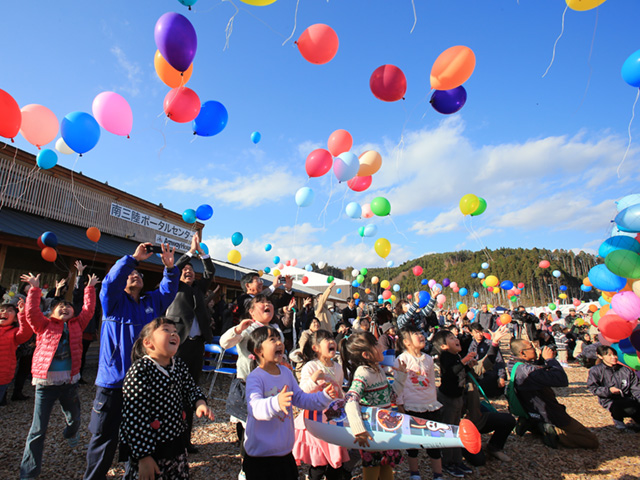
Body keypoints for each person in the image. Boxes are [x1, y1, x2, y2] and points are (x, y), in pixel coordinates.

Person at [84, 242, 179, 480]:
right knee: (104, 438)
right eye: (131, 274)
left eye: (139, 274)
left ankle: (133, 475)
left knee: (139, 436)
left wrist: (169, 268)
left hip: (144, 384)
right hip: (114, 382)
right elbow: (109, 283)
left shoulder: (151, 303)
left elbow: (168, 291)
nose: (135, 275)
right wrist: (132, 260)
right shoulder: (112, 302)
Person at [20, 272, 98, 480]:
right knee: (38, 429)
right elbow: (31, 314)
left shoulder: (77, 325)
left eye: (68, 307)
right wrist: (35, 290)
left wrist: (90, 288)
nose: (65, 308)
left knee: (75, 418)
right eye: (60, 307)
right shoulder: (43, 325)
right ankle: (28, 472)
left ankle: (70, 432)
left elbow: (89, 310)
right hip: (45, 384)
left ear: (73, 313)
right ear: (52, 312)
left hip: (69, 383)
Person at [120, 317, 215, 479]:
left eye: (175, 332)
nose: (173, 334)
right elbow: (134, 415)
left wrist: (199, 403)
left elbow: (190, 388)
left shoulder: (178, 365)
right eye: (166, 330)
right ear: (148, 343)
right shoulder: (140, 370)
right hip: (150, 444)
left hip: (175, 441)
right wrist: (144, 456)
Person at [243, 326, 335, 480]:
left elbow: (300, 398)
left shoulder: (286, 372)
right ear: (259, 351)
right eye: (272, 339)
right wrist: (276, 403)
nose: (279, 342)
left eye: (279, 338)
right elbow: (255, 407)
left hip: (285, 452)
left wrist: (323, 397)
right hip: (260, 457)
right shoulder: (255, 377)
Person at [219, 294, 283, 479]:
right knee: (249, 430)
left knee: (269, 426)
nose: (267, 304)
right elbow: (224, 343)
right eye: (261, 302)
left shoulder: (274, 329)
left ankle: (266, 462)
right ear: (251, 311)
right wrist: (238, 329)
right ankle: (245, 468)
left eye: (269, 302)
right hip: (248, 386)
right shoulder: (247, 329)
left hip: (271, 387)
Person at [165, 231, 215, 453]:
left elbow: (210, 271)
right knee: (173, 391)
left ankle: (187, 439)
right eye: (185, 271)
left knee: (192, 391)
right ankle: (172, 437)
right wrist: (190, 252)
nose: (188, 273)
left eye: (191, 271)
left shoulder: (198, 289)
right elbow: (173, 269)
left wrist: (203, 255)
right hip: (179, 345)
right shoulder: (174, 287)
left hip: (197, 345)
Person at [509, 338, 598, 449]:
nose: (535, 349)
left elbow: (537, 373)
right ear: (523, 353)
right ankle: (552, 431)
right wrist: (551, 360)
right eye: (531, 347)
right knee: (591, 441)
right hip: (548, 412)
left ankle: (532, 423)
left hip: (532, 410)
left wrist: (541, 359)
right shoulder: (528, 371)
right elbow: (561, 380)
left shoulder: (514, 364)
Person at [342, 331, 402, 480]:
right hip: (372, 432)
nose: (380, 346)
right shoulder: (363, 373)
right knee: (372, 469)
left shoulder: (378, 369)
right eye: (375, 344)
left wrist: (402, 375)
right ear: (366, 355)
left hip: (384, 429)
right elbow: (350, 399)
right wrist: (358, 429)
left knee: (386, 466)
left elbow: (392, 396)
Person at [293, 330, 350, 480]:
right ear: (315, 348)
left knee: (335, 463)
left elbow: (339, 392)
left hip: (333, 418)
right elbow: (301, 393)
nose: (332, 341)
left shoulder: (337, 367)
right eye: (326, 339)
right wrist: (313, 379)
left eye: (332, 338)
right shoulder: (311, 367)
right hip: (315, 418)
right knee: (318, 464)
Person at [393, 326, 443, 480]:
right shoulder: (402, 359)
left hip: (430, 405)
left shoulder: (428, 359)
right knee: (412, 443)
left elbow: (433, 383)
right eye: (416, 334)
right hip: (411, 406)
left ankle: (438, 474)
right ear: (406, 342)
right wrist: (400, 405)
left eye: (422, 333)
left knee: (434, 442)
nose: (421, 336)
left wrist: (434, 400)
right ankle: (414, 473)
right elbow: (398, 385)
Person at [431, 329, 475, 478]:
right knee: (448, 429)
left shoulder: (456, 355)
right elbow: (451, 372)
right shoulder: (445, 357)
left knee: (457, 428)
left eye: (455, 336)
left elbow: (460, 371)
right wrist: (464, 361)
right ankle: (447, 462)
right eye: (451, 338)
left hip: (458, 397)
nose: (456, 339)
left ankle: (457, 460)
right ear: (443, 346)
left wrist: (468, 364)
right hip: (447, 398)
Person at [587, 345, 640, 431]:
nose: (613, 357)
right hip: (610, 400)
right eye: (609, 355)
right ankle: (619, 423)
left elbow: (636, 387)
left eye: (615, 354)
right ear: (600, 356)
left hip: (629, 398)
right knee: (627, 407)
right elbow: (593, 388)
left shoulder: (626, 370)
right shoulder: (596, 370)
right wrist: (609, 390)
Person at [72, 261, 102, 385]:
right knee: (76, 355)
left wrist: (95, 329)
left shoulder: (95, 303)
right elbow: (77, 290)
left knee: (82, 355)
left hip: (89, 331)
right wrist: (80, 273)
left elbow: (95, 316)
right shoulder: (79, 300)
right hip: (80, 331)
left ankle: (79, 376)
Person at [0, 300, 33, 405]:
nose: (4, 312)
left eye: (9, 311)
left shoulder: (14, 333)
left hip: (2, 375)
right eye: (2, 310)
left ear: (15, 319)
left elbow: (26, 332)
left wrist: (22, 314)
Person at [467, 324, 506, 398]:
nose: (479, 334)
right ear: (472, 333)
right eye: (476, 332)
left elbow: (499, 360)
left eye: (480, 331)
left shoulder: (490, 343)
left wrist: (501, 377)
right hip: (478, 374)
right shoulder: (472, 344)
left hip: (490, 373)